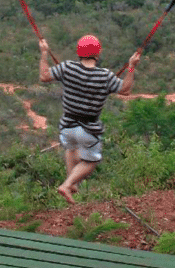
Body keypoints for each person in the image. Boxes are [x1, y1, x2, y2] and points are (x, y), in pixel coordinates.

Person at [39, 34, 141, 204]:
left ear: (79, 52)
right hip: (88, 129)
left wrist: (44, 53)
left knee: (71, 149)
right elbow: (125, 90)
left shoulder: (67, 68)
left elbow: (44, 76)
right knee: (92, 161)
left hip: (67, 127)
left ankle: (73, 186)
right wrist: (131, 67)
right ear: (98, 54)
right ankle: (68, 184)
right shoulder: (105, 76)